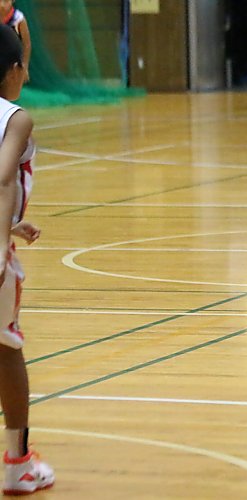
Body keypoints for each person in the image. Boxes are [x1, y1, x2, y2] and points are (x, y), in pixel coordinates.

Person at [0, 24, 54, 495]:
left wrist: (12, 222)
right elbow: (2, 178)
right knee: (6, 349)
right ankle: (18, 466)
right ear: (15, 70)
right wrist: (3, 239)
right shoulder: (16, 118)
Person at [0, 0, 30, 82]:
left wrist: (24, 66)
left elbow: (26, 44)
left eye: (5, 1)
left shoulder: (18, 19)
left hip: (11, 65)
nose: (1, 5)